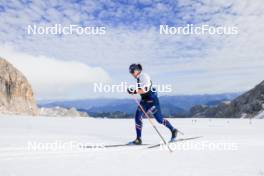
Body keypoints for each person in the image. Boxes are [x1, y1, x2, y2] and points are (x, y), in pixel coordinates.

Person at [127, 63, 178, 145]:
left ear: (137, 70)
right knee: (137, 117)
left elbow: (145, 89)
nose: (131, 74)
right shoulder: (139, 78)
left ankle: (173, 130)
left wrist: (134, 91)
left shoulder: (144, 76)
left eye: (132, 71)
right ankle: (138, 139)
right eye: (130, 72)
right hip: (144, 101)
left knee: (159, 119)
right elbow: (141, 90)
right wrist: (133, 90)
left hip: (152, 101)